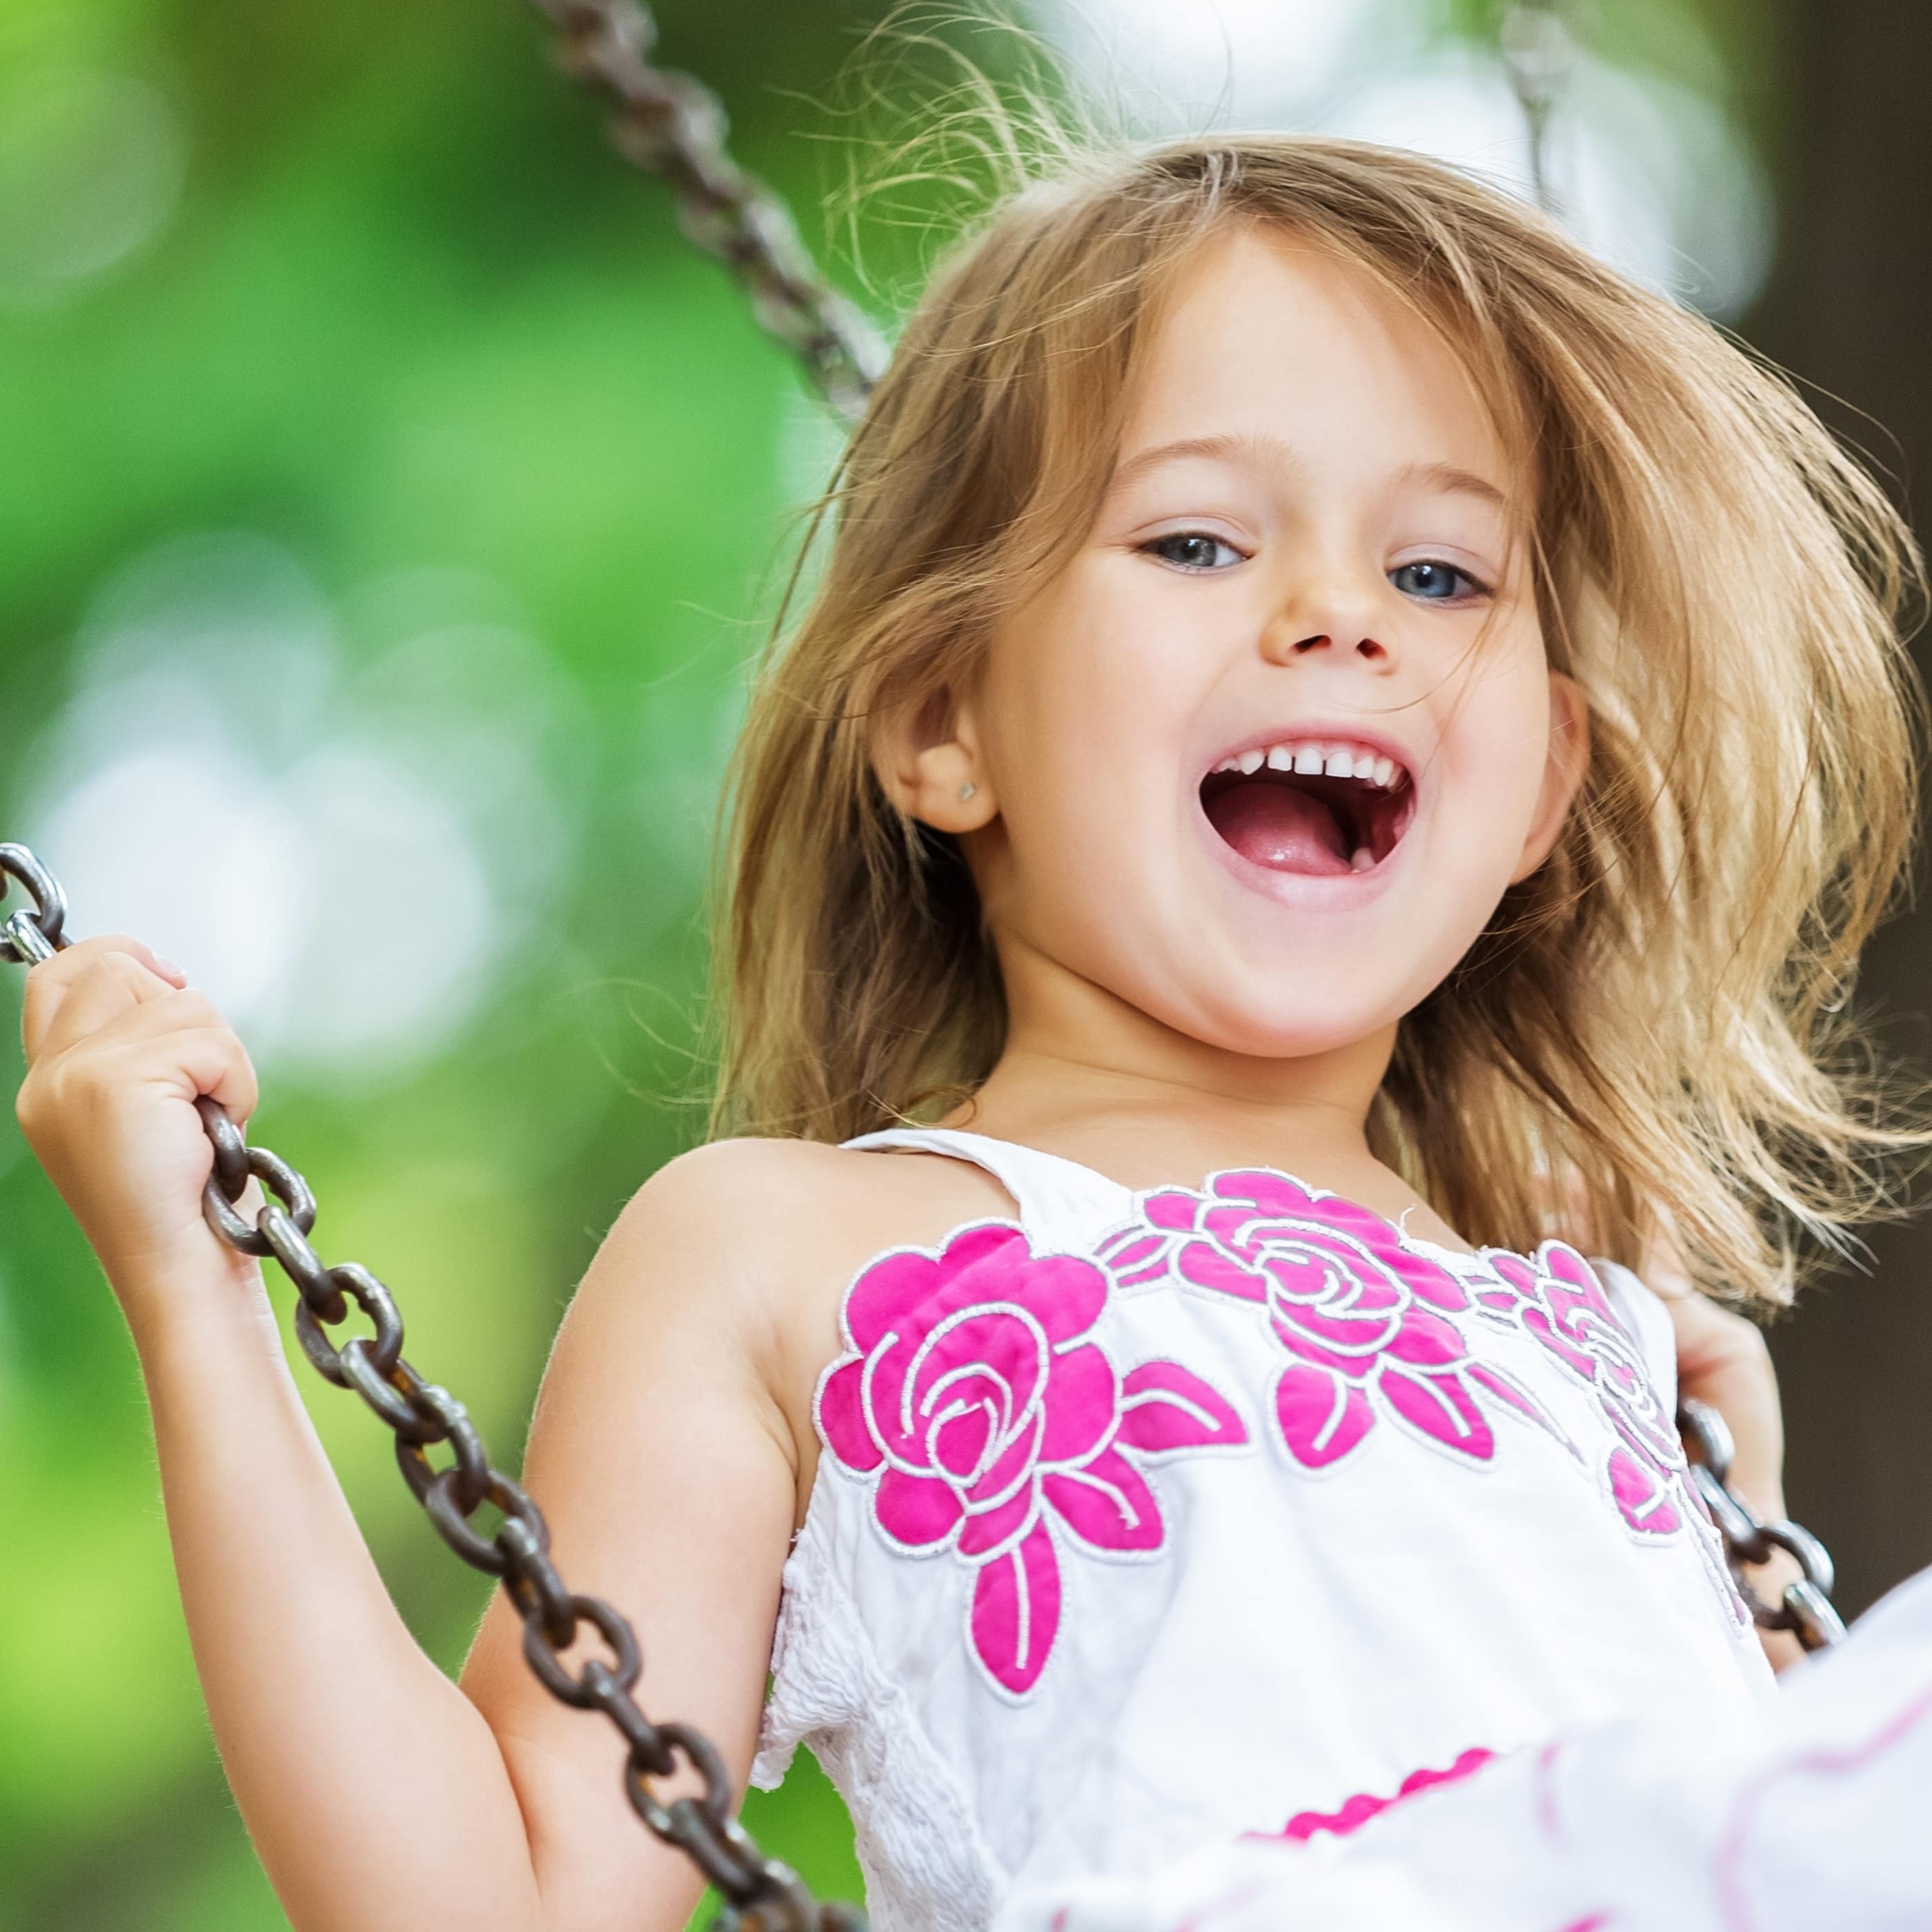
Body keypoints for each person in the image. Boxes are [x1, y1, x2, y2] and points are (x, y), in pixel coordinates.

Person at [14, 133, 1929, 1932]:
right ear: (942, 719)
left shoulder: (1590, 1334)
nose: (1344, 615)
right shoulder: (792, 1254)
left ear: (1540, 789)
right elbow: (507, 1896)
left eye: (1439, 573)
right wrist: (195, 1290)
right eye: (1196, 543)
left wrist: (1733, 1534)